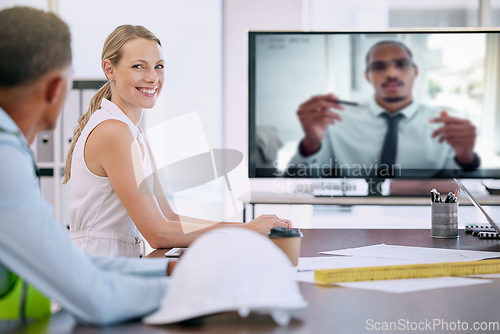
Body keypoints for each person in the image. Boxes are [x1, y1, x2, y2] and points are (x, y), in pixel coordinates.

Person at [0, 6, 177, 329]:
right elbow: (95, 296)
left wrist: (160, 271)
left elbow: (65, 262)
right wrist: (188, 286)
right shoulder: (5, 158)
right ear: (57, 88)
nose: (152, 76)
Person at [63, 25, 291, 257]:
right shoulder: (113, 131)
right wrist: (245, 231)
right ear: (109, 69)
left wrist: (245, 227)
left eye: (159, 67)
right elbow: (157, 233)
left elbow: (168, 218)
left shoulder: (135, 134)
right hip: (96, 272)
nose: (152, 77)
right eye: (138, 66)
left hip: (116, 268)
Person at [289, 40, 479, 178]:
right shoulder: (334, 120)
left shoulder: (445, 124)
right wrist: (310, 144)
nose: (391, 73)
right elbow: (297, 184)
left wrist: (466, 158)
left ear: (416, 71)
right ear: (367, 76)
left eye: (401, 64)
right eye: (379, 67)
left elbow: (458, 194)